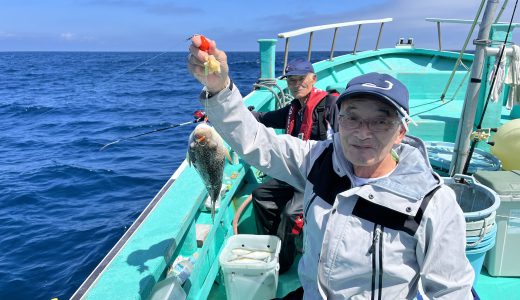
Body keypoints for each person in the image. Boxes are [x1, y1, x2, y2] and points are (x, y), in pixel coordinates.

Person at [188, 37, 474, 299]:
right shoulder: (319, 160)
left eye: (381, 121)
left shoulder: (432, 203)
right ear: (339, 122)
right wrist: (218, 88)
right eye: (352, 118)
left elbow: (450, 290)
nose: (363, 132)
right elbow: (255, 141)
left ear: (401, 132)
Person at [249, 58, 339, 273]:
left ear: (313, 79)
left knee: (291, 213)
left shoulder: (330, 105)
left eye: (301, 79)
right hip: (295, 172)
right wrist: (234, 115)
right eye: (291, 80)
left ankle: (283, 263)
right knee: (261, 195)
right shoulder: (293, 108)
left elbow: (341, 143)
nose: (296, 84)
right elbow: (264, 118)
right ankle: (272, 246)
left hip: (320, 177)